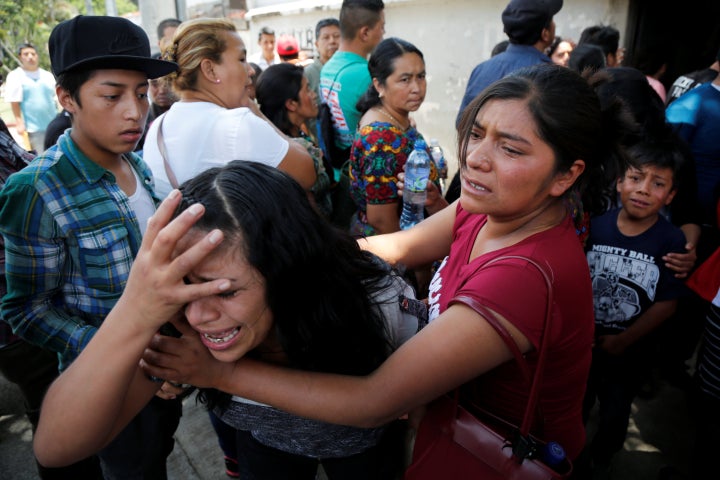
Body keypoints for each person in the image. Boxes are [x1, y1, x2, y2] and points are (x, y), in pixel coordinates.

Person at [34, 160, 425, 480]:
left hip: (365, 449)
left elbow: (386, 406)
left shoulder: (373, 302)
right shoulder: (178, 324)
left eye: (225, 291)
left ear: (287, 271)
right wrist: (136, 307)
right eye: (185, 287)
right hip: (265, 444)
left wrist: (218, 374)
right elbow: (56, 447)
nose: (199, 317)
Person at [0, 15, 182, 480]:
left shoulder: (138, 166)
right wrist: (120, 351)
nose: (134, 111)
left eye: (141, 93)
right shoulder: (36, 190)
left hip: (170, 372)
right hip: (107, 384)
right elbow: (26, 310)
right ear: (67, 98)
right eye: (112, 95)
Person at [583, 139, 687, 474]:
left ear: (670, 196)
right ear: (619, 181)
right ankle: (568, 456)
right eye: (636, 178)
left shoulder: (671, 242)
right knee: (575, 405)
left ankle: (602, 459)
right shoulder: (595, 226)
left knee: (615, 412)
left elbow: (667, 305)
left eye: (657, 184)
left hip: (629, 353)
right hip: (584, 345)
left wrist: (622, 341)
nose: (643, 190)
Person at [141, 18, 315, 199]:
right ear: (210, 70)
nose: (251, 71)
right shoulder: (238, 125)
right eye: (241, 59)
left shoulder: (157, 127)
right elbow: (307, 174)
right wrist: (256, 112)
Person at [347, 37, 439, 237]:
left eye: (421, 76)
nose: (417, 88)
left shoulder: (393, 117)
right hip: (394, 248)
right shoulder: (380, 137)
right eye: (405, 79)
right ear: (379, 85)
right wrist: (418, 266)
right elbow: (381, 220)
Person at [456, 0, 562, 125]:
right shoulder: (551, 74)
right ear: (545, 34)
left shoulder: (482, 69)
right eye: (552, 20)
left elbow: (462, 123)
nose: (554, 24)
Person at [256, 63, 333, 219]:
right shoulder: (289, 152)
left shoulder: (297, 131)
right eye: (307, 89)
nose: (313, 95)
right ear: (291, 104)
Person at [319, 0, 385, 169]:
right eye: (381, 26)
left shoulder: (328, 67)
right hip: (361, 171)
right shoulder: (366, 75)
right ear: (365, 33)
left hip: (338, 167)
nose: (383, 33)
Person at [3, 43, 57, 152]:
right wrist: (19, 123)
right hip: (34, 129)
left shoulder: (47, 75)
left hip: (54, 126)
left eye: (33, 54)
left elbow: (55, 98)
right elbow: (14, 102)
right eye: (26, 54)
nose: (30, 57)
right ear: (20, 57)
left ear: (37, 56)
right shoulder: (15, 76)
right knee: (43, 159)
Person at [304, 18, 341, 141]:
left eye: (337, 36)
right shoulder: (307, 74)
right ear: (316, 44)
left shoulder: (349, 72)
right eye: (326, 37)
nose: (332, 41)